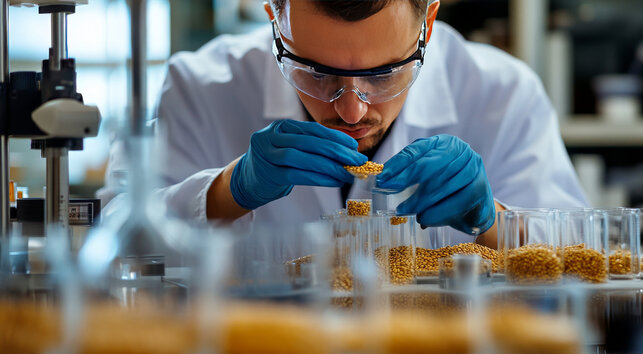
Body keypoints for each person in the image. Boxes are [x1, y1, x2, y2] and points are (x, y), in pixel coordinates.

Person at [100, 0, 588, 248]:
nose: (353, 111)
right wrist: (227, 192)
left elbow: (585, 261)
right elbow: (111, 236)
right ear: (275, 18)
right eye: (316, 72)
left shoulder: (502, 94)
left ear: (428, 24)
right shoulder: (199, 88)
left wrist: (495, 221)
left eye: (385, 74)